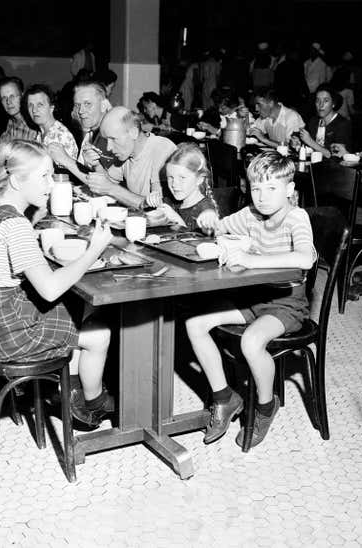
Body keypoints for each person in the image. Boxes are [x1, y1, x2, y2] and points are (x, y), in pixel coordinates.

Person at [0, 140, 114, 427]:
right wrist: (94, 249)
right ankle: (92, 404)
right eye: (43, 176)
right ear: (17, 180)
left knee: (79, 306)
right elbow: (50, 289)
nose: (51, 184)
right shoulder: (14, 224)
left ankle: (69, 391)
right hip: (8, 337)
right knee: (100, 332)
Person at [187, 151, 316, 447]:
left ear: (289, 190)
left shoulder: (297, 216)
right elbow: (220, 227)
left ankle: (265, 405)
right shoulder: (251, 214)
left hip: (287, 303)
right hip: (253, 299)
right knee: (195, 324)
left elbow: (306, 259)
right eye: (256, 188)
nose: (262, 197)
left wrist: (250, 260)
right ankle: (225, 397)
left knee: (250, 342)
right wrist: (210, 219)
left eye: (272, 188)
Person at [83, 106, 176, 208]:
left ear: (134, 132)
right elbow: (107, 183)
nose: (109, 148)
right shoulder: (126, 154)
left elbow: (159, 207)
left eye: (113, 139)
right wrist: (96, 164)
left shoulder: (162, 149)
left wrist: (112, 189)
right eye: (107, 140)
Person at [47, 81, 111, 182]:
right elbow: (84, 173)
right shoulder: (90, 133)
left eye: (88, 104)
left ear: (103, 106)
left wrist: (65, 159)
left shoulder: (112, 137)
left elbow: (107, 185)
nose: (81, 111)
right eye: (77, 105)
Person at [162, 143, 219, 231]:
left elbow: (199, 243)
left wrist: (176, 219)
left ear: (199, 179)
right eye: (170, 177)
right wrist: (151, 201)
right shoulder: (174, 200)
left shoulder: (206, 210)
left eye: (182, 178)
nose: (174, 184)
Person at [292, 84, 352, 158]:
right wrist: (298, 143)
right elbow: (309, 146)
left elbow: (336, 155)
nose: (321, 105)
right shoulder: (314, 121)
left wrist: (310, 141)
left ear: (333, 104)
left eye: (326, 100)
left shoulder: (342, 124)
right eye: (318, 100)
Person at [23, 83, 78, 159]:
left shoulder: (61, 135)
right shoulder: (40, 134)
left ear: (51, 108)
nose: (34, 110)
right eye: (30, 105)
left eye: (40, 105)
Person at [0, 77, 38, 142]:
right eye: (4, 98)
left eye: (12, 96)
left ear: (22, 96)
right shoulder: (11, 122)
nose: (8, 102)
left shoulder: (34, 124)